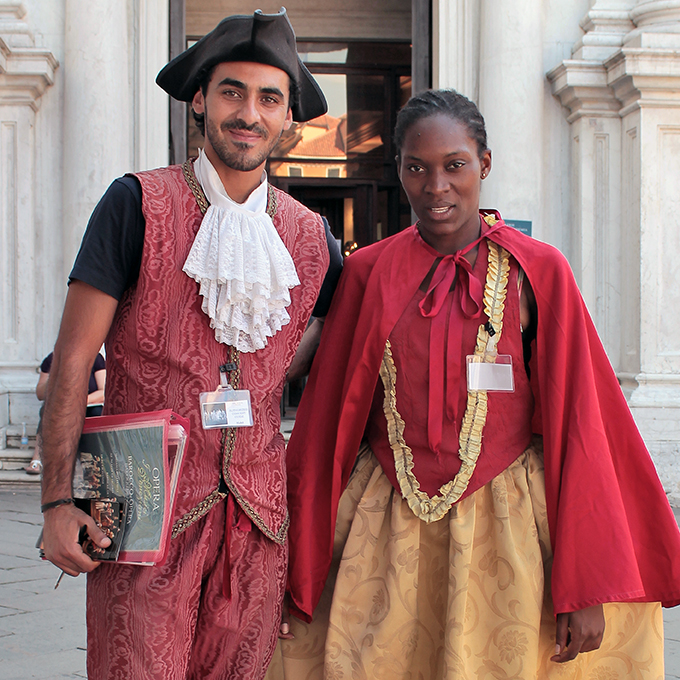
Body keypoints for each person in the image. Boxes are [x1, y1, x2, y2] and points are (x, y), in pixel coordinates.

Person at [275, 90, 680, 679]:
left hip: (508, 526)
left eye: (454, 165)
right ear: (400, 172)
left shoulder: (539, 272)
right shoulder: (367, 273)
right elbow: (327, 421)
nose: (436, 186)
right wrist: (293, 563)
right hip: (384, 529)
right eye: (417, 168)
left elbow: (582, 424)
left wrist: (586, 581)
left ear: (484, 164)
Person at [39, 9, 342, 680]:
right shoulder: (134, 204)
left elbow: (332, 366)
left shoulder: (316, 241)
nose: (249, 113)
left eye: (270, 98)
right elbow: (70, 366)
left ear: (288, 118)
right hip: (136, 502)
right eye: (232, 91)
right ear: (200, 99)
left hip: (259, 527)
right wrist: (59, 502)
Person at [24, 351, 105, 475]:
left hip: (88, 405)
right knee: (47, 409)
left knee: (97, 412)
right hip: (62, 407)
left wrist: (80, 402)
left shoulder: (95, 358)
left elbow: (103, 392)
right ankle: (37, 460)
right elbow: (40, 394)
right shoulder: (53, 358)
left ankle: (96, 461)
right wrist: (54, 379)